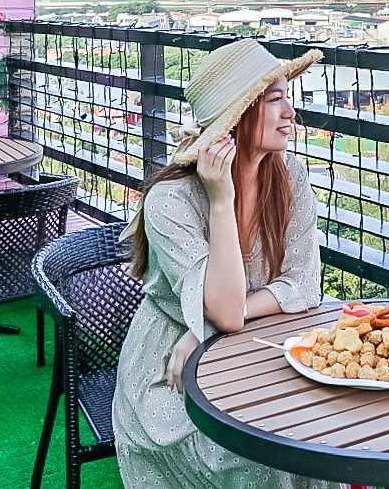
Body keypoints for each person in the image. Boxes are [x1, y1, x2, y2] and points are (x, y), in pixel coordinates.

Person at [112, 39, 344, 489]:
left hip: (255, 350)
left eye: (287, 98)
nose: (291, 113)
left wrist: (207, 326)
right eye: (275, 100)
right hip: (170, 375)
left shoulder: (289, 176)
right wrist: (222, 201)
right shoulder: (172, 200)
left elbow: (303, 284)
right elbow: (224, 307)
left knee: (322, 434)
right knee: (254, 457)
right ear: (237, 116)